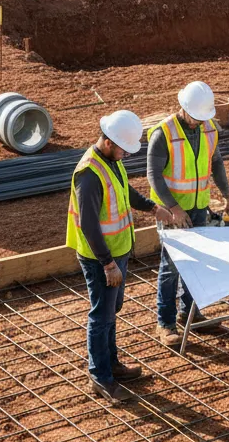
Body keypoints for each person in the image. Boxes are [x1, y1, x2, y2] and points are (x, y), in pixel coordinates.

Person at [67, 110, 174, 402]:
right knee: (101, 315)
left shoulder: (110, 162)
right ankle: (100, 376)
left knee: (111, 311)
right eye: (124, 149)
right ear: (110, 142)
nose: (127, 155)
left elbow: (125, 193)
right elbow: (88, 224)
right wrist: (108, 264)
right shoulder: (89, 174)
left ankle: (111, 364)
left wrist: (153, 207)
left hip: (118, 251)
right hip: (101, 258)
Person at [148, 80, 229, 345]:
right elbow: (153, 175)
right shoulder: (163, 133)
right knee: (171, 265)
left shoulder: (209, 127)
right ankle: (165, 323)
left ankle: (190, 314)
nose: (199, 122)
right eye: (196, 117)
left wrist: (228, 197)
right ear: (183, 108)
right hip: (172, 210)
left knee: (198, 263)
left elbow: (217, 163)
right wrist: (173, 209)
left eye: (203, 117)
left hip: (199, 207)